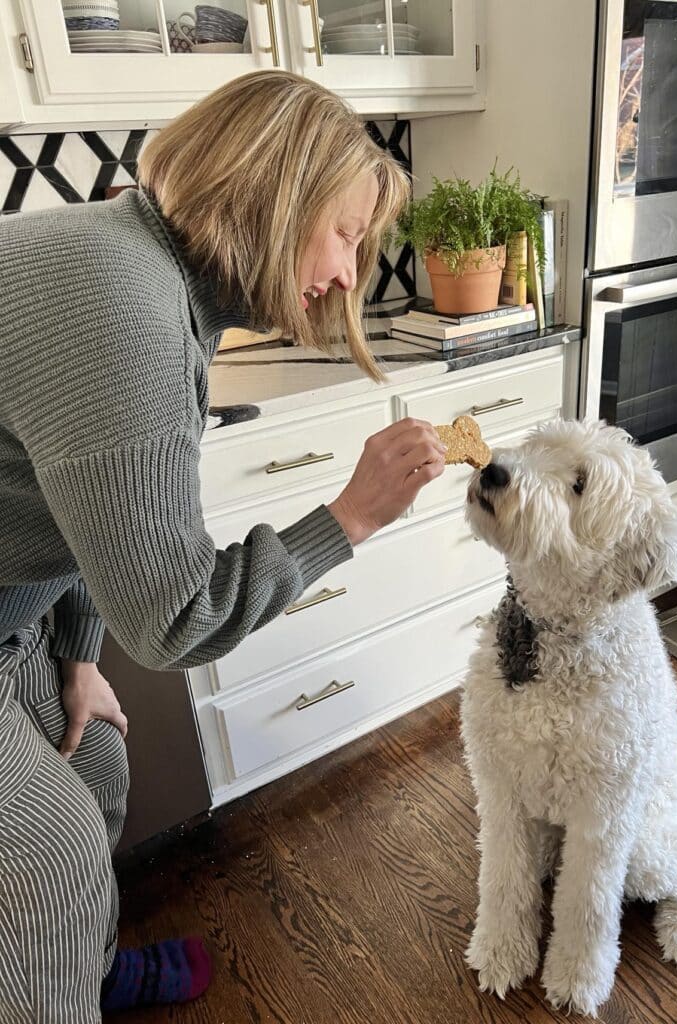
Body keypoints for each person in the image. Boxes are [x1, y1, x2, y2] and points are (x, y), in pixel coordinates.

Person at [0, 69, 446, 1022]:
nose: (340, 273)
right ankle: (48, 974)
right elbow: (175, 620)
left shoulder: (130, 259)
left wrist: (76, 656)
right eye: (343, 233)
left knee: (99, 761)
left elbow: (71, 504)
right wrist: (351, 517)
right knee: (48, 865)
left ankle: (74, 972)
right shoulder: (120, 307)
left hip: (16, 622)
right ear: (276, 197)